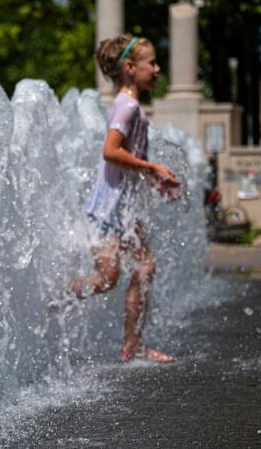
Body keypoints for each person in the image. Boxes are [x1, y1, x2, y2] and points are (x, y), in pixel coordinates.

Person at [63, 34, 180, 363]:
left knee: (144, 268)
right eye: (152, 63)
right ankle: (50, 301)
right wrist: (153, 166)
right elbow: (110, 152)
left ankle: (133, 344)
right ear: (130, 67)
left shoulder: (133, 108)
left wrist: (153, 178)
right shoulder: (126, 107)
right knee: (106, 279)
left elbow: (128, 159)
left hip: (122, 207)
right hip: (108, 208)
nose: (158, 69)